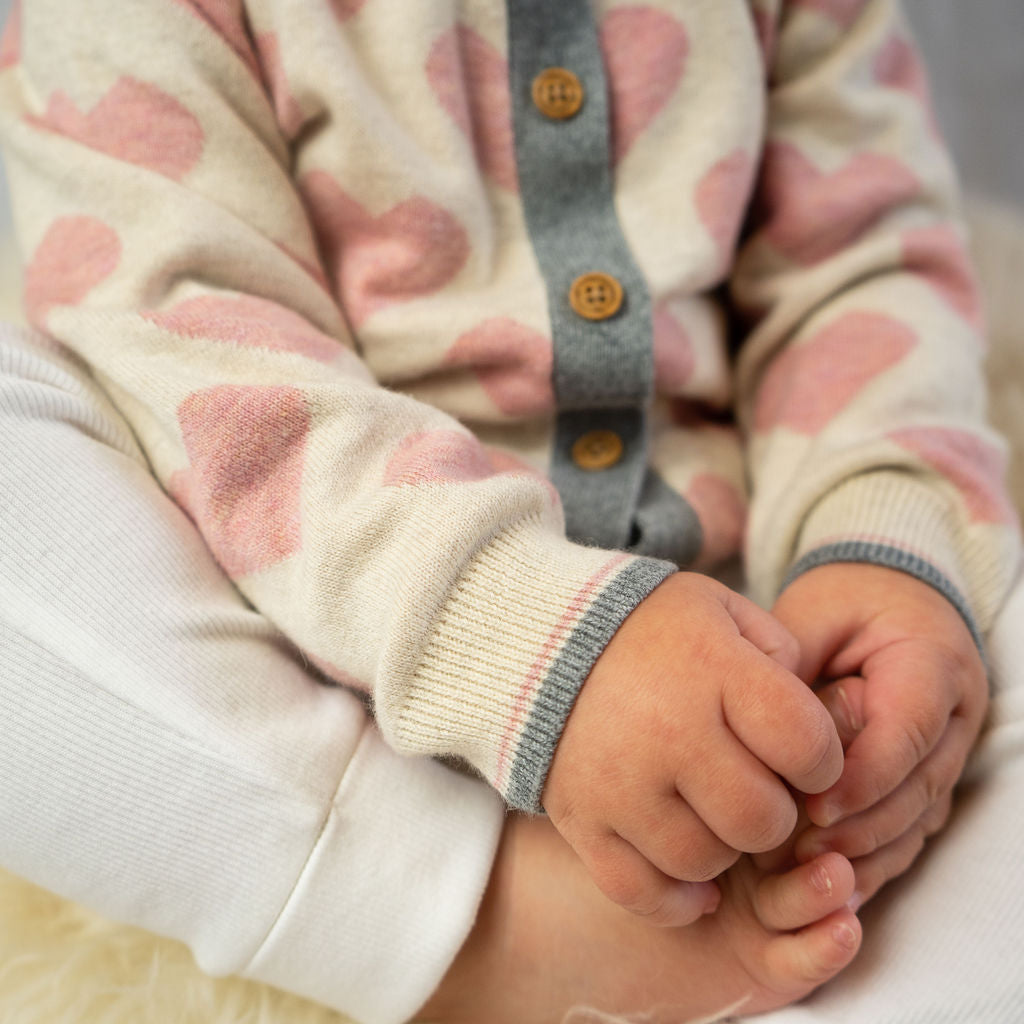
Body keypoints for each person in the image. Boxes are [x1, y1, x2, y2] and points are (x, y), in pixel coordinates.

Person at [0, 0, 1016, 1020]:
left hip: (750, 622)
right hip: (304, 653)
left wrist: (877, 543)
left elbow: (860, 255)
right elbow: (204, 354)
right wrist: (526, 631)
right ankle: (482, 920)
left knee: (979, 606)